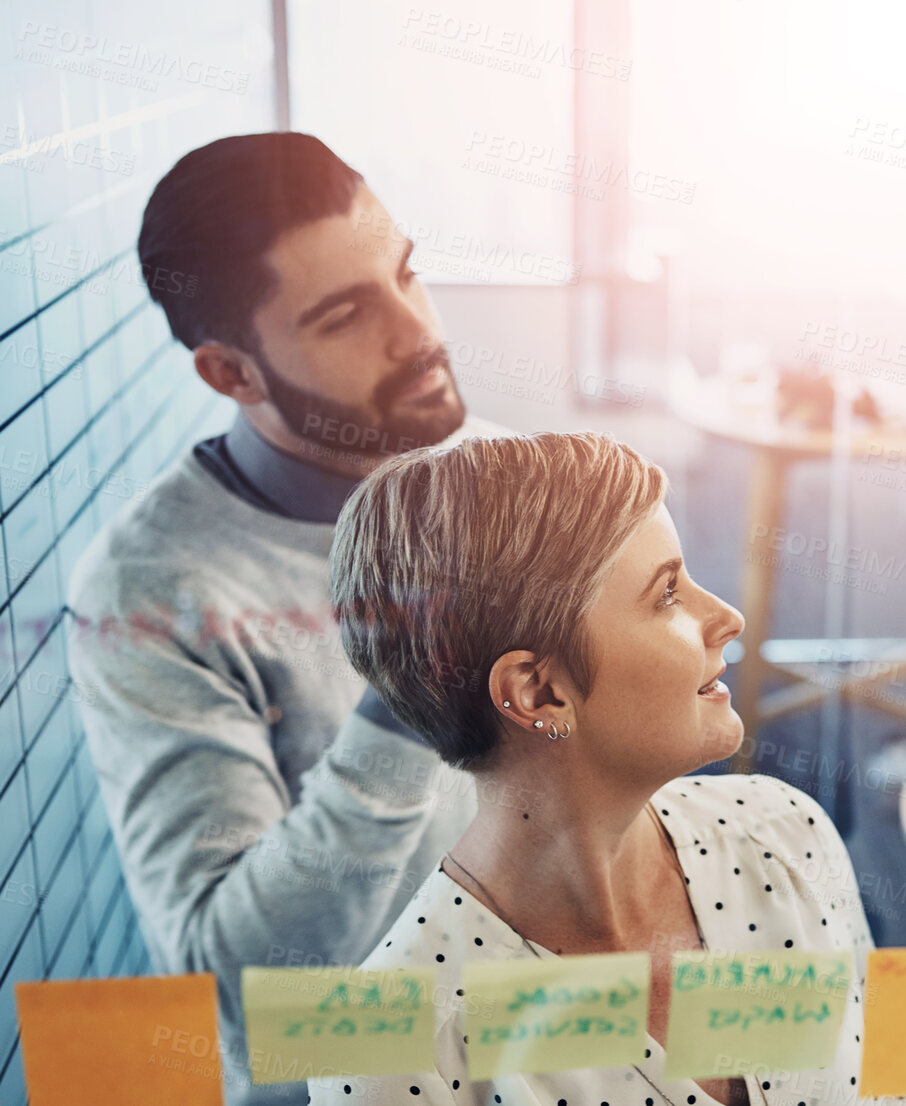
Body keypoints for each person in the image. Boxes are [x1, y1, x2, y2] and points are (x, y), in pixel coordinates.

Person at [65, 132, 508, 1104]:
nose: (418, 332)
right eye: (347, 314)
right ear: (232, 374)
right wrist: (403, 695)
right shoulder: (150, 593)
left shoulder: (501, 478)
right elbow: (240, 993)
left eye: (408, 274)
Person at [304, 432, 906, 1106]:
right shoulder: (385, 1060)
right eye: (666, 596)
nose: (727, 617)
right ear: (539, 693)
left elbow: (892, 1091)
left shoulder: (783, 833)